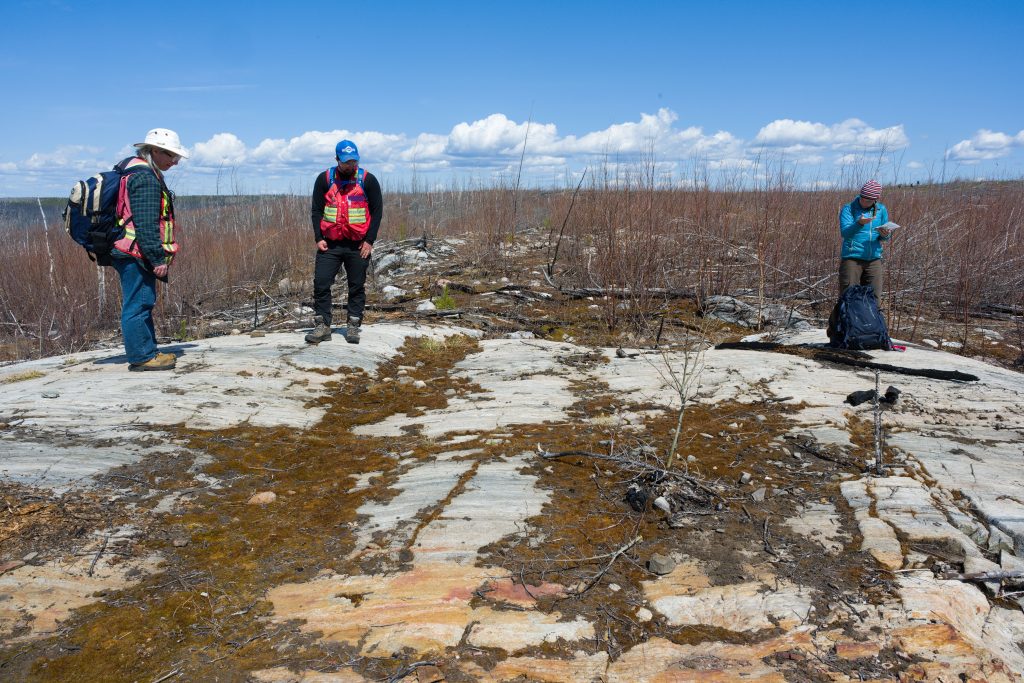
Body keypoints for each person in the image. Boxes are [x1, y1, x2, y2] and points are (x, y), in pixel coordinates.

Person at [110, 128, 188, 371]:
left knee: (141, 301)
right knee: (139, 303)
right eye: (170, 156)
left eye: (176, 157)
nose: (174, 162)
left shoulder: (132, 169)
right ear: (154, 150)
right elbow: (145, 224)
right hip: (135, 252)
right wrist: (157, 258)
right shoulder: (145, 178)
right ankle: (142, 356)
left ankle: (147, 350)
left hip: (129, 249)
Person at [306, 139, 383, 345]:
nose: (351, 166)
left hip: (358, 245)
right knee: (321, 283)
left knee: (356, 285)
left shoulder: (367, 180)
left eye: (354, 161)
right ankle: (322, 326)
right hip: (330, 244)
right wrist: (318, 237)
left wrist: (369, 241)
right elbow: (316, 210)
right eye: (347, 162)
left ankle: (353, 325)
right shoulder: (325, 179)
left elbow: (377, 212)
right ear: (337, 159)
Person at [837, 179, 895, 308]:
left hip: (874, 259)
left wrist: (885, 234)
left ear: (876, 199)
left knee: (874, 299)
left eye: (868, 200)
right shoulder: (849, 209)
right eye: (863, 198)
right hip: (852, 258)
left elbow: (885, 236)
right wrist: (859, 223)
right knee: (848, 297)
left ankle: (870, 327)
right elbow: (845, 233)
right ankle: (845, 327)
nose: (864, 201)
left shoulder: (881, 210)